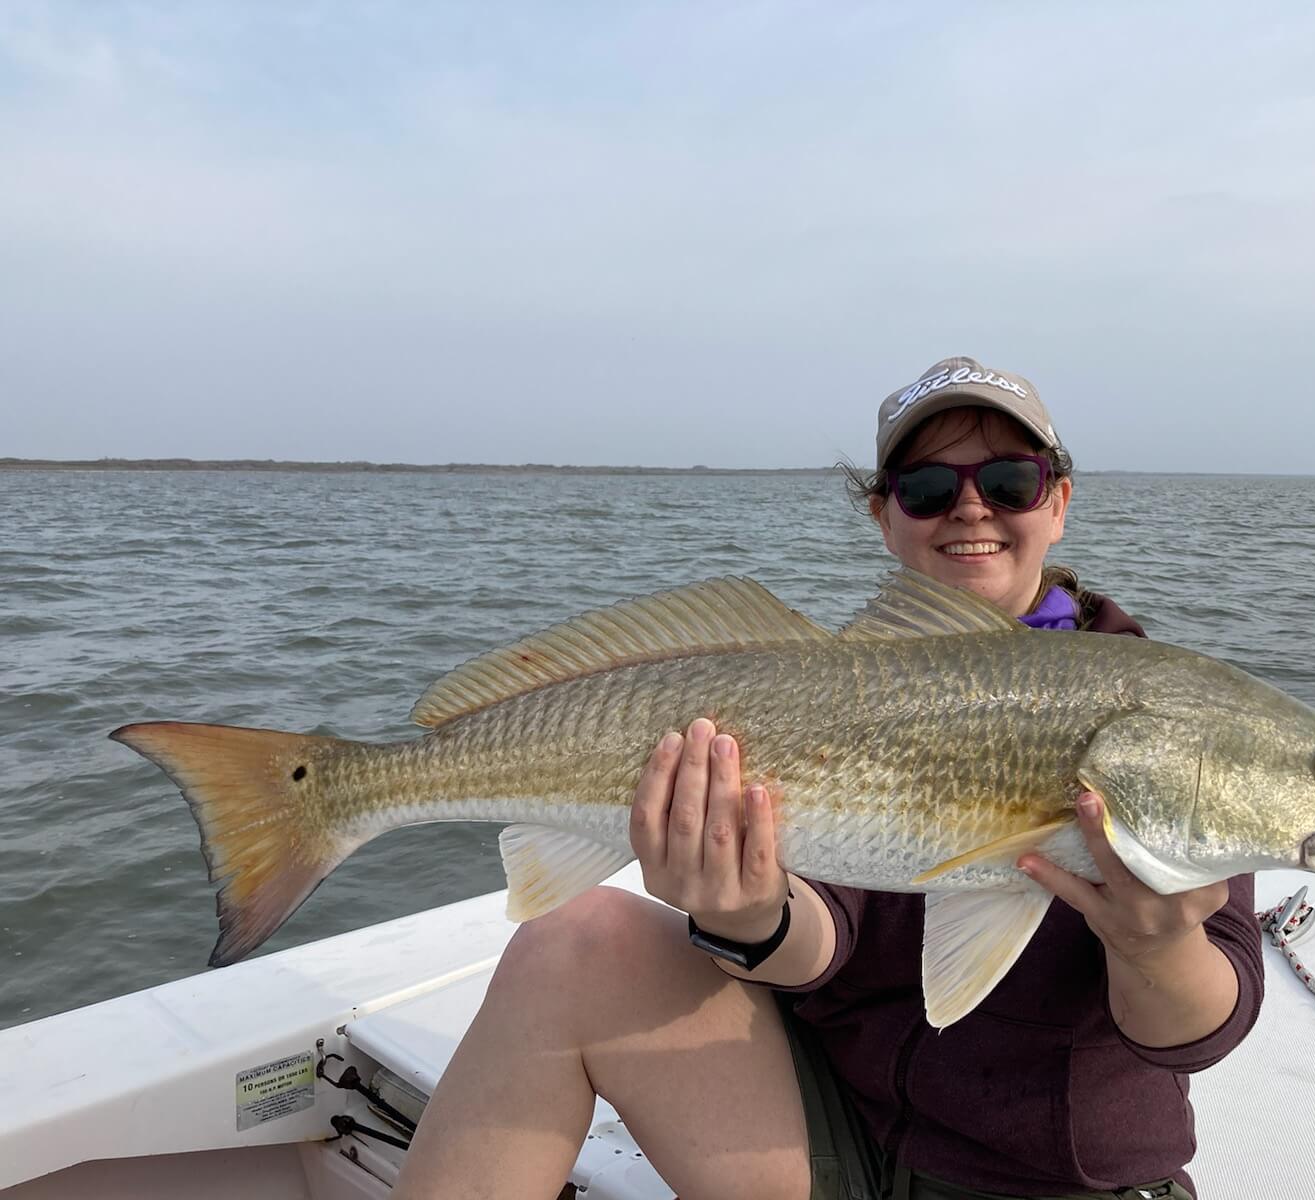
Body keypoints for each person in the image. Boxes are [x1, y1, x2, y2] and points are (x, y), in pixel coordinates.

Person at [394, 357, 1265, 1200]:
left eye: (1009, 481)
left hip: (1055, 1183)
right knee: (571, 943)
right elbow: (823, 943)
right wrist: (741, 910)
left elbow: (1200, 1027)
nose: (971, 508)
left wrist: (1156, 945)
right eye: (927, 488)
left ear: (1059, 502)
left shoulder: (1153, 708)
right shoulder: (842, 682)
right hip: (827, 1140)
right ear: (887, 518)